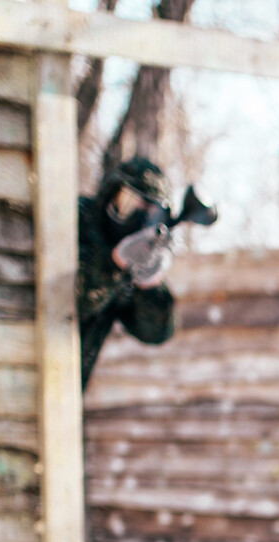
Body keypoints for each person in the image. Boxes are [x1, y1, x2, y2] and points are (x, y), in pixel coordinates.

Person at [77, 157, 179, 387]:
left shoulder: (135, 262)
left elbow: (155, 332)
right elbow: (70, 301)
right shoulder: (76, 222)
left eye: (150, 212)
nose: (137, 219)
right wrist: (114, 264)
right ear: (110, 195)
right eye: (128, 204)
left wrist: (150, 284)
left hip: (65, 393)